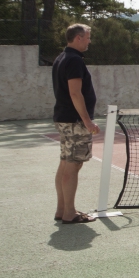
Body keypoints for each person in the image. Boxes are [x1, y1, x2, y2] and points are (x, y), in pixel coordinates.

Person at [52, 23, 99, 224]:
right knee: (73, 165)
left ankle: (62, 210)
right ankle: (69, 214)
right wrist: (87, 121)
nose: (89, 41)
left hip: (65, 119)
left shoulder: (61, 58)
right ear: (78, 38)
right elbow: (74, 92)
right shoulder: (73, 61)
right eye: (88, 37)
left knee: (65, 163)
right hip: (74, 121)